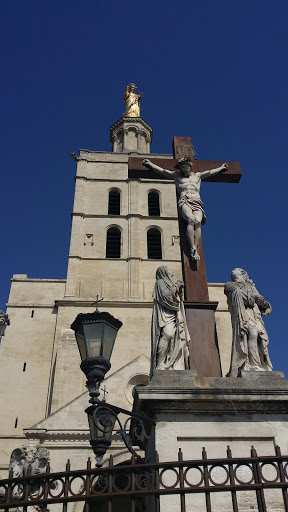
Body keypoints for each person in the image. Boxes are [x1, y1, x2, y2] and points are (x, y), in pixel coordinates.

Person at [143, 157, 228, 263]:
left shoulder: (197, 176)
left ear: (190, 166)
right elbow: (162, 171)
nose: (185, 169)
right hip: (185, 201)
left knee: (197, 222)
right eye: (182, 168)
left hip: (197, 202)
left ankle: (195, 248)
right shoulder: (176, 176)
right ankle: (192, 247)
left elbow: (210, 172)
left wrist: (221, 168)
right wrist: (150, 164)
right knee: (191, 220)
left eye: (186, 167)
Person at [225, 268, 273, 377]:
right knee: (252, 334)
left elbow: (261, 302)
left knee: (261, 339)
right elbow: (242, 297)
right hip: (244, 314)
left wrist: (262, 302)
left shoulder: (251, 286)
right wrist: (254, 297)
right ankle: (252, 364)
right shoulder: (230, 286)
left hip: (255, 315)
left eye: (239, 274)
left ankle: (260, 364)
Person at [151, 266, 190, 377]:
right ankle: (160, 364)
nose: (171, 270)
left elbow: (176, 298)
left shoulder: (168, 283)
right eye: (168, 269)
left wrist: (179, 291)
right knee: (168, 334)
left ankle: (171, 364)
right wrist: (177, 285)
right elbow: (166, 296)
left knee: (174, 337)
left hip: (173, 314)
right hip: (165, 315)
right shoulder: (160, 282)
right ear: (164, 272)